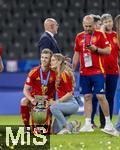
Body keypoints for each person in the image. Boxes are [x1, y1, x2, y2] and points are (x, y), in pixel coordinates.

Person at [73, 15, 117, 135]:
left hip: (98, 71)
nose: (87, 28)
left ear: (94, 24)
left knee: (100, 96)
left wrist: (96, 49)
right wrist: (72, 69)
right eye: (85, 26)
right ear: (83, 25)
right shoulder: (79, 36)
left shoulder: (100, 35)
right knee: (87, 97)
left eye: (90, 26)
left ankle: (108, 123)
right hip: (84, 72)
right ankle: (88, 124)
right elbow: (76, 53)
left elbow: (108, 51)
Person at [20, 48, 56, 134]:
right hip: (35, 99)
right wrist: (31, 99)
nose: (43, 60)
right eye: (42, 57)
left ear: (50, 59)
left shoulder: (55, 73)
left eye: (46, 58)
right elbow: (25, 89)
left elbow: (60, 89)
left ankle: (49, 124)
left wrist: (53, 101)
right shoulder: (34, 71)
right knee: (23, 101)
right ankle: (27, 128)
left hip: (48, 100)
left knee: (44, 132)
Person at [98, 14, 120, 128]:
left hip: (113, 71)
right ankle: (102, 123)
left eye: (110, 21)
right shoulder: (99, 35)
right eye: (105, 22)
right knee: (102, 96)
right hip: (101, 71)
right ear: (102, 24)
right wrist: (101, 30)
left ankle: (109, 122)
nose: (108, 23)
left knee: (110, 97)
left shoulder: (117, 35)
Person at [50, 53, 80, 134]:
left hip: (71, 103)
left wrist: (57, 102)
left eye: (53, 60)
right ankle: (74, 124)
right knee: (55, 131)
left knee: (53, 107)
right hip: (63, 105)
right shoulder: (56, 73)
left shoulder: (64, 73)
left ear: (59, 62)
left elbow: (70, 93)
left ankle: (66, 127)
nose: (51, 62)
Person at [90, 15, 102, 127]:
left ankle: (105, 122)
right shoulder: (88, 37)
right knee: (94, 97)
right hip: (93, 72)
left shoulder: (103, 36)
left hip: (105, 71)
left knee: (101, 97)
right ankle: (91, 121)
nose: (100, 26)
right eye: (98, 24)